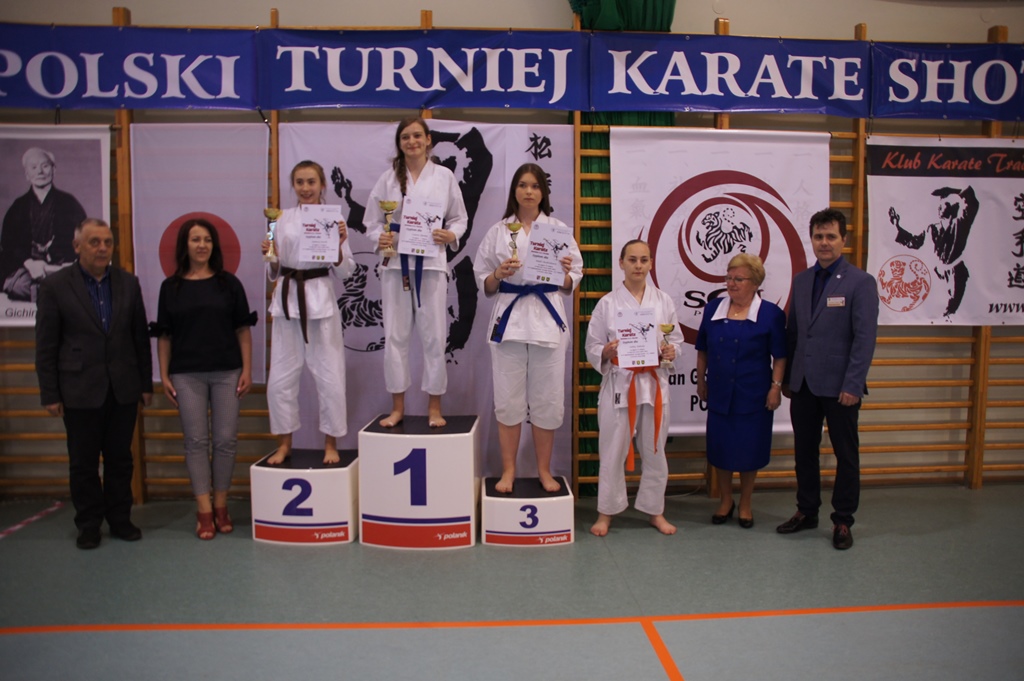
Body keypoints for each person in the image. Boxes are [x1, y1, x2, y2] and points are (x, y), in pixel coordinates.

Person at [35, 218, 153, 549]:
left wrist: (145, 384)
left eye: (108, 242)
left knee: (120, 460)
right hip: (78, 389)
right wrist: (50, 393)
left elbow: (139, 338)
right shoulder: (56, 286)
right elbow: (46, 344)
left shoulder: (128, 283)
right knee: (84, 463)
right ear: (77, 247)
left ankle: (120, 519)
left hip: (123, 387)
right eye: (94, 242)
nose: (103, 248)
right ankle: (88, 524)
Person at [475, 163, 583, 494]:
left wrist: (564, 272)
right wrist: (499, 274)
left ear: (543, 192)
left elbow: (573, 278)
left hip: (547, 319)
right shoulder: (498, 231)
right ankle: (508, 470)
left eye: (535, 186)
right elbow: (484, 280)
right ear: (514, 191)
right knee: (508, 399)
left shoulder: (557, 230)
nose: (528, 191)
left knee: (547, 399)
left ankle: (544, 470)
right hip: (509, 320)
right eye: (522, 185)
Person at [778, 208, 878, 550]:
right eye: (818, 236)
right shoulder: (802, 280)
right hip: (804, 383)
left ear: (843, 240)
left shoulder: (861, 282)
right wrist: (788, 378)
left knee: (845, 455)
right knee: (804, 451)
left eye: (831, 236)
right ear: (812, 239)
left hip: (840, 386)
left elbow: (864, 338)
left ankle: (843, 520)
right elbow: (794, 332)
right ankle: (807, 510)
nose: (824, 242)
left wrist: (853, 383)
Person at [365, 117, 468, 428]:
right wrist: (379, 238)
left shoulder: (444, 176)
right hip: (396, 264)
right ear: (399, 143)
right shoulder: (387, 179)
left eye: (417, 136)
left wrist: (450, 235)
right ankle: (397, 407)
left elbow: (459, 218)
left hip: (431, 264)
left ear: (428, 140)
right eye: (405, 137)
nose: (412, 142)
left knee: (434, 337)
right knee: (395, 336)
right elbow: (372, 222)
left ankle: (434, 407)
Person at [156, 218, 255, 540]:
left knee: (225, 441)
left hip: (227, 372)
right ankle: (204, 511)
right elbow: (164, 336)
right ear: (185, 245)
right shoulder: (170, 288)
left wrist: (247, 369)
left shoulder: (229, 284)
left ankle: (222, 505)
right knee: (196, 441)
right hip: (186, 375)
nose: (202, 245)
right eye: (195, 239)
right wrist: (163, 374)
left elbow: (243, 330)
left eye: (207, 240)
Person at [261, 160, 355, 465]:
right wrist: (271, 255)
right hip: (288, 300)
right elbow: (273, 270)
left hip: (320, 300)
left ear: (322, 185)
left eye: (311, 182)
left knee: (330, 376)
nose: (305, 188)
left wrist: (339, 245)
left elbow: (346, 271)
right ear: (293, 185)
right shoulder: (280, 219)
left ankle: (331, 443)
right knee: (281, 378)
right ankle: (284, 443)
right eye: (299, 182)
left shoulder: (332, 219)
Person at [585, 239, 679, 536]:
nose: (638, 265)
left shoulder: (663, 301)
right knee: (612, 449)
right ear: (621, 263)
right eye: (632, 260)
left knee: (655, 450)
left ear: (651, 263)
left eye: (644, 260)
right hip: (620, 384)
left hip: (654, 384)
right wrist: (605, 352)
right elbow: (592, 345)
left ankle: (655, 510)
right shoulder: (607, 304)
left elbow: (675, 340)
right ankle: (606, 512)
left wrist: (672, 351)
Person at [695, 253, 787, 529]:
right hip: (720, 392)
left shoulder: (771, 314)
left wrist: (775, 387)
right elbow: (702, 349)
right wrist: (701, 381)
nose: (731, 283)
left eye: (739, 279)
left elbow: (780, 356)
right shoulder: (713, 309)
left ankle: (745, 502)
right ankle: (726, 500)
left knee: (750, 451)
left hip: (754, 395)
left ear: (755, 283)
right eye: (729, 278)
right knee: (721, 450)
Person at [1, 147, 86, 301]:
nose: (40, 171)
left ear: (54, 170)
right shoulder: (18, 206)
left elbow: (83, 237)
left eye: (45, 166)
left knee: (79, 279)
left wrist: (61, 264)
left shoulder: (69, 203)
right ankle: (52, 289)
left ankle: (48, 288)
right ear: (27, 175)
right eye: (33, 167)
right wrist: (30, 263)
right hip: (28, 269)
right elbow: (9, 244)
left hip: (61, 266)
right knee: (17, 285)